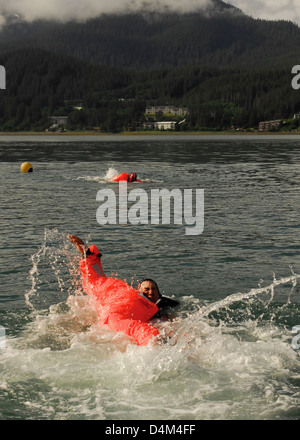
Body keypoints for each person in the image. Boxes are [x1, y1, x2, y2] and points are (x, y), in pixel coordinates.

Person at [68, 235, 160, 346]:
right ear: (138, 290)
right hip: (113, 316)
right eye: (147, 289)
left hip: (114, 317)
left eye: (154, 289)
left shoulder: (156, 308)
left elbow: (96, 279)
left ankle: (155, 342)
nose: (150, 292)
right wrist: (87, 253)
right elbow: (97, 279)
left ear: (159, 294)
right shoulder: (118, 289)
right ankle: (156, 343)